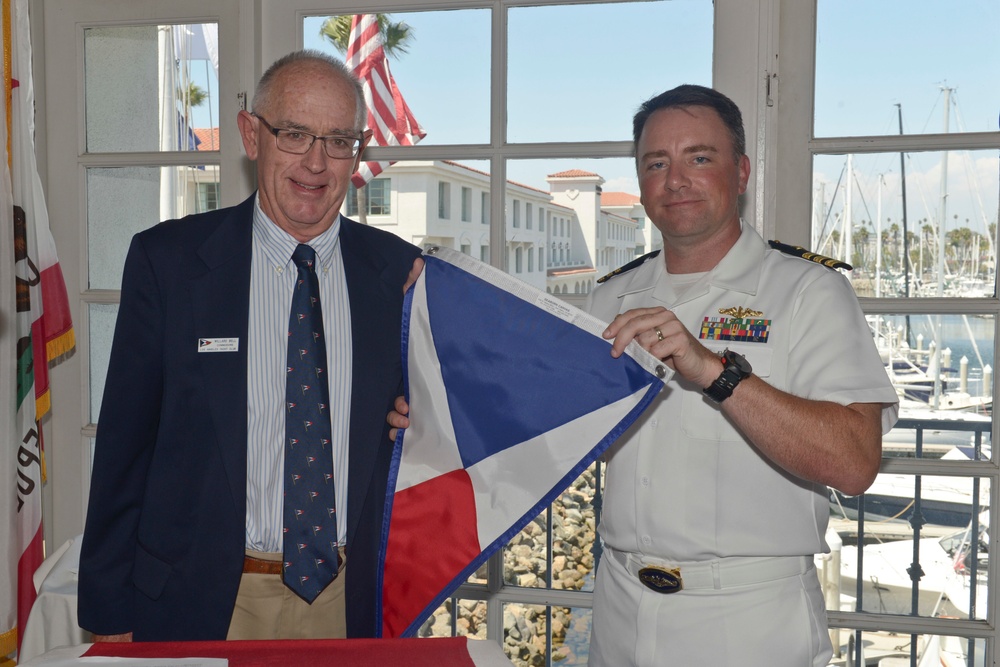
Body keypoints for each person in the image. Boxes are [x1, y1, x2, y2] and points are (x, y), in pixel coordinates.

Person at [389, 85, 898, 665]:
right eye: (657, 163)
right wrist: (438, 411)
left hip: (749, 618)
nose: (675, 179)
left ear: (743, 171)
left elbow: (855, 463)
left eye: (699, 157)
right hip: (621, 611)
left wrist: (714, 372)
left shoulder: (809, 291)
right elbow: (542, 418)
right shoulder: (610, 297)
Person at [78, 50, 421, 643]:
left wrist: (416, 422)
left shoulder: (402, 274)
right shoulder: (169, 263)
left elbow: (438, 422)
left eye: (339, 141)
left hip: (351, 602)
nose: (316, 163)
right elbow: (123, 450)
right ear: (251, 135)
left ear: (359, 152)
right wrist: (109, 618)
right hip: (200, 602)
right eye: (295, 134)